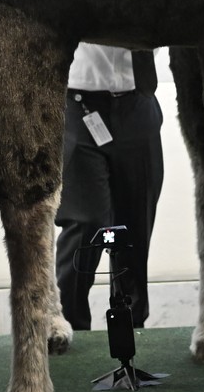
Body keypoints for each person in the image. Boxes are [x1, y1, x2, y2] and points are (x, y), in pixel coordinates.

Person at [54, 43, 164, 330]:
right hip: (80, 104)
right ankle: (69, 331)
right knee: (84, 224)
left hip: (139, 101)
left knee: (135, 230)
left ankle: (130, 334)